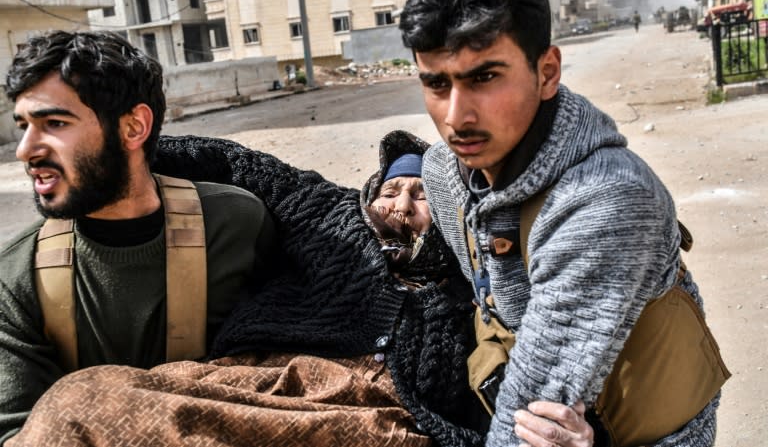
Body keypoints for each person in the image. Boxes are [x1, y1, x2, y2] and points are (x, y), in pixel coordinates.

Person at [7, 130, 593, 447]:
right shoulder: (327, 212)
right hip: (268, 380)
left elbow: (546, 364)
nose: (403, 206)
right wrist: (116, 155)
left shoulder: (472, 278)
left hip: (386, 417)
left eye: (422, 197)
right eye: (393, 191)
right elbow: (233, 162)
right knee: (81, 401)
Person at [398, 0, 726, 446]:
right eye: (437, 83)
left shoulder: (606, 201)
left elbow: (531, 418)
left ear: (547, 71)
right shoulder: (444, 171)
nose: (456, 117)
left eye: (484, 77)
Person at [0, 31, 275, 443]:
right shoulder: (17, 276)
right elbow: (22, 434)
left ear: (133, 127)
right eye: (23, 126)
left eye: (54, 123)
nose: (25, 150)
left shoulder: (238, 223)